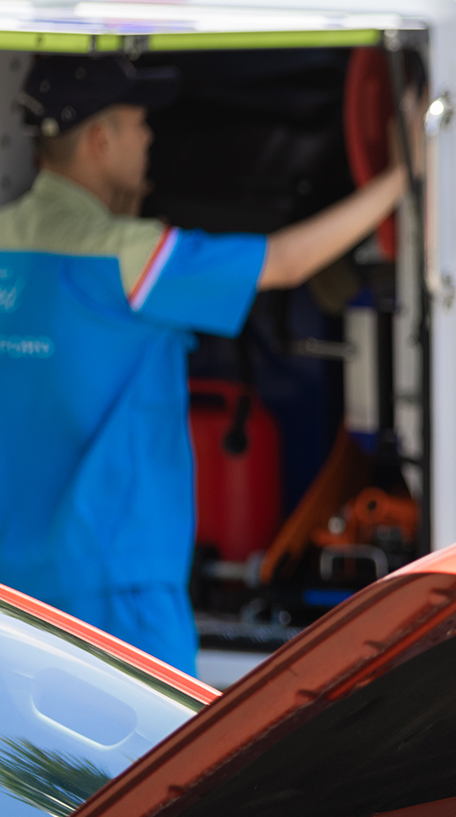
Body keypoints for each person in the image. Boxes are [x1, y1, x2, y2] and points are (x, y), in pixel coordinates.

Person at [0, 54, 416, 672]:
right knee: (159, 764)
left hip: (16, 585)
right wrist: (403, 179)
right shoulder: (124, 254)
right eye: (139, 124)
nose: (148, 139)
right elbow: (284, 264)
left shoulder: (8, 236)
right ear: (99, 139)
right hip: (118, 582)